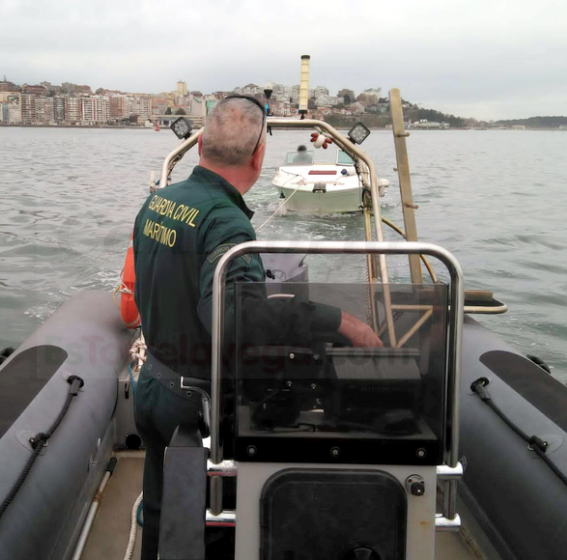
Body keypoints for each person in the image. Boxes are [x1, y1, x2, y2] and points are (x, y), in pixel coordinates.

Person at [131, 96, 381, 560]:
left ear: (201, 143)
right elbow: (235, 316)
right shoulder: (226, 224)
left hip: (154, 387)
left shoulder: (158, 202)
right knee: (210, 531)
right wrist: (337, 320)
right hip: (196, 406)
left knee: (163, 512)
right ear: (259, 155)